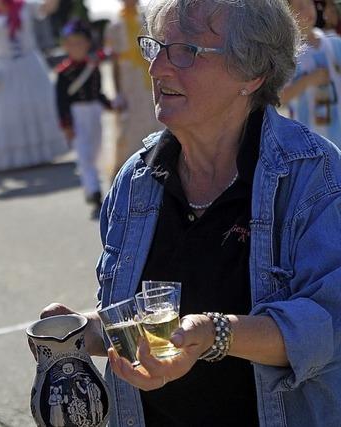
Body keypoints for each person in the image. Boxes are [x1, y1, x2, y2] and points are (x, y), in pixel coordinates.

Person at [33, 0, 341, 426]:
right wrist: (79, 332)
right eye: (156, 48)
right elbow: (138, 323)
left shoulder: (312, 174)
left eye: (186, 51)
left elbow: (328, 325)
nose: (157, 69)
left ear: (252, 73)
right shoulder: (137, 177)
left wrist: (216, 333)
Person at [0, 0, 67, 174]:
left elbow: (50, 7)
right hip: (1, 70)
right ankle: (5, 159)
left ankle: (37, 155)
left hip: (29, 66)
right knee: (4, 115)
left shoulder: (24, 6)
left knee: (33, 109)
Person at [55, 20, 111, 219]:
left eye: (80, 42)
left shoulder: (92, 67)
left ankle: (94, 187)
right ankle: (94, 192)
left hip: (94, 112)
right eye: (71, 43)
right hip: (76, 115)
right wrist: (66, 125)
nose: (76, 47)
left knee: (96, 153)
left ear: (88, 44)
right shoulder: (63, 73)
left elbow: (98, 92)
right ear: (65, 46)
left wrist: (109, 104)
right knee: (84, 155)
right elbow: (61, 102)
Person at [105, 0, 161, 178]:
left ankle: (157, 158)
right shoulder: (114, 26)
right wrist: (118, 92)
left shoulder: (147, 19)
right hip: (129, 79)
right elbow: (114, 62)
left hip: (147, 74)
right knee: (129, 123)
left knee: (153, 116)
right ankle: (129, 169)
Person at [282, 0, 341, 148]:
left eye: (309, 3)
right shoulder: (289, 54)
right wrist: (307, 81)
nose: (308, 10)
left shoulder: (335, 44)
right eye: (300, 7)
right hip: (309, 145)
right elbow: (279, 99)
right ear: (287, 14)